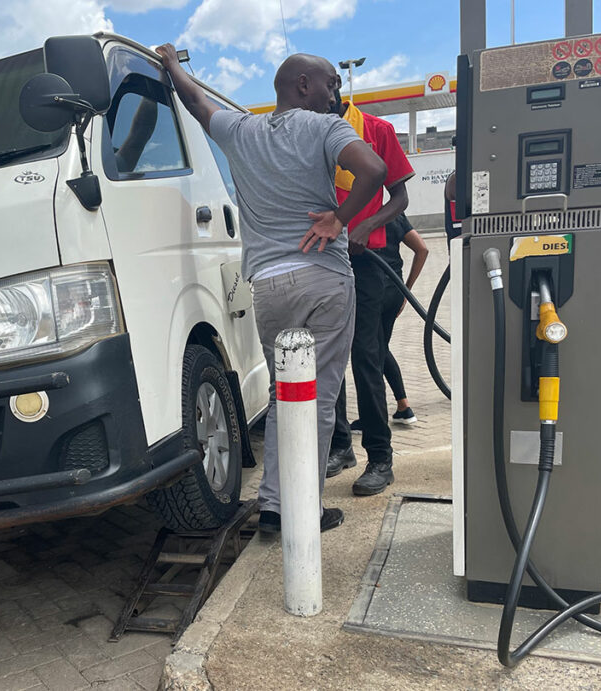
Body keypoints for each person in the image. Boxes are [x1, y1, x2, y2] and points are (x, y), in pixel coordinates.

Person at [155, 44, 387, 535]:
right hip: (323, 279)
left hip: (269, 287)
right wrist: (339, 219)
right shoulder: (326, 127)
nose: (336, 96)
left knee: (286, 398)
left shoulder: (241, 131)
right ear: (303, 84)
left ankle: (272, 507)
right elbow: (374, 171)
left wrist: (172, 66)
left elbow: (197, 103)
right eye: (331, 84)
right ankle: (304, 510)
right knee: (319, 400)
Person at [326, 83, 415, 496]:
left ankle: (380, 457)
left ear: (331, 90)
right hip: (322, 262)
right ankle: (341, 446)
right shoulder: (307, 134)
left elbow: (400, 196)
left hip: (366, 263)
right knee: (329, 357)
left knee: (366, 357)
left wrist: (368, 225)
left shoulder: (376, 129)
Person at [347, 213, 428, 431]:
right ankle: (403, 406)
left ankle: (374, 417)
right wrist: (406, 290)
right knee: (379, 348)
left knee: (370, 353)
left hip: (369, 294)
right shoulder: (393, 214)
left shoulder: (356, 217)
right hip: (393, 292)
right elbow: (422, 249)